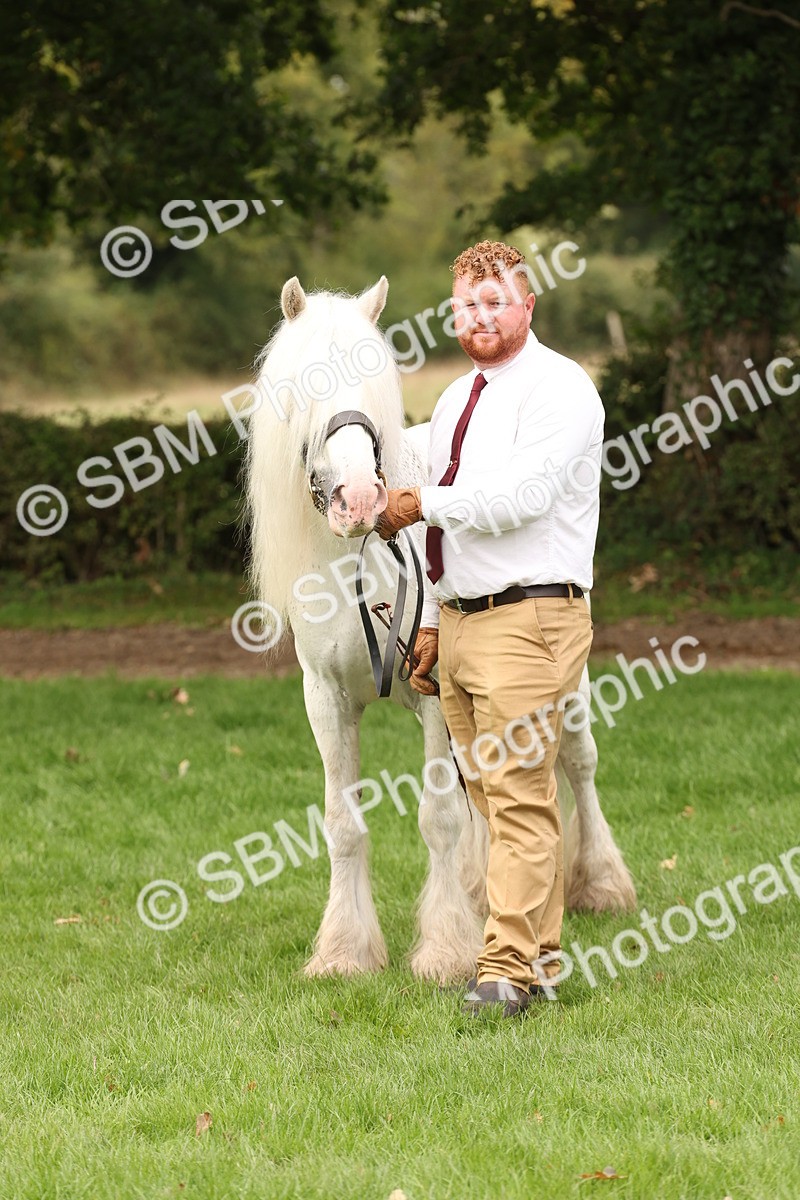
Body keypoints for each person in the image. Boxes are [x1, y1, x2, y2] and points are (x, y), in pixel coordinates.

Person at [377, 240, 603, 1017]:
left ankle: (503, 969)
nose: (480, 316)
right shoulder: (454, 400)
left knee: (518, 792)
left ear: (527, 305)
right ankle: (539, 959)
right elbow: (452, 526)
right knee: (493, 796)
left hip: (532, 614)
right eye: (467, 305)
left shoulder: (560, 389)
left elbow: (520, 499)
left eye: (495, 301)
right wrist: (437, 617)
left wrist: (417, 503)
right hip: (468, 621)